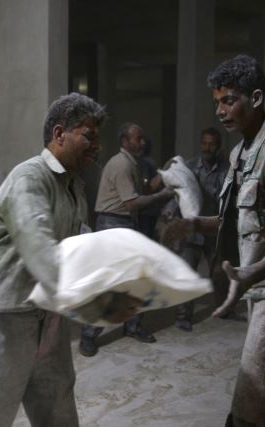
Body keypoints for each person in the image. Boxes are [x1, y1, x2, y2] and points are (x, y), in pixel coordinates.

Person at [0, 93, 141, 427]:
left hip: (49, 318)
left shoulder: (73, 185)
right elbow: (40, 251)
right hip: (3, 321)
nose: (97, 145)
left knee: (58, 414)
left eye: (98, 136)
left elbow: (73, 239)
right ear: (59, 134)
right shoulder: (29, 179)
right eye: (88, 135)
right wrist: (98, 300)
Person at [163, 55, 265, 427]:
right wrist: (190, 225)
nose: (220, 110)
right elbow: (234, 222)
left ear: (255, 97)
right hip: (260, 288)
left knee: (253, 407)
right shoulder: (240, 153)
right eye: (217, 101)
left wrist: (254, 271)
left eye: (228, 100)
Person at [78, 122, 174, 357]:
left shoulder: (133, 163)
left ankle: (132, 326)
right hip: (113, 224)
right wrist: (164, 195)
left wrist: (164, 176)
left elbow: (140, 193)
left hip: (124, 223)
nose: (143, 142)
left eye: (142, 138)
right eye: (137, 138)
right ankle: (88, 336)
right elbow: (132, 202)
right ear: (125, 141)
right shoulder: (121, 164)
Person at [169, 127, 232, 332]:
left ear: (218, 146)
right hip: (191, 230)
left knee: (220, 273)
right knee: (187, 272)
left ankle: (224, 308)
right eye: (204, 143)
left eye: (211, 144)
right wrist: (170, 212)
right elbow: (178, 192)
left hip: (214, 229)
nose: (207, 148)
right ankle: (183, 316)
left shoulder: (226, 169)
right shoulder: (190, 167)